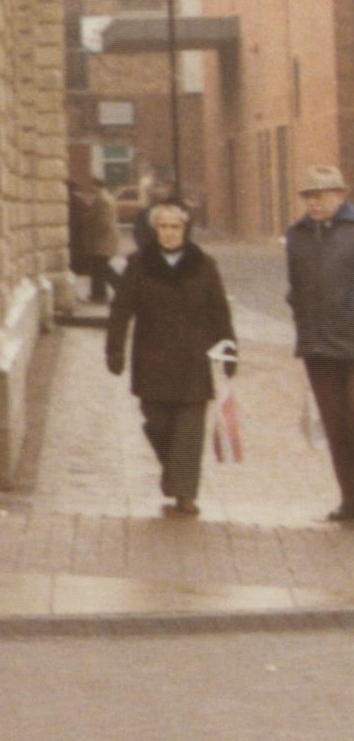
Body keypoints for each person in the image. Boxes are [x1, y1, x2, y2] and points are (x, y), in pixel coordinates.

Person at [106, 199, 235, 518]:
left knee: (190, 432)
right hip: (152, 360)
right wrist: (115, 349)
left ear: (185, 229)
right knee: (158, 424)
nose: (168, 233)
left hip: (194, 360)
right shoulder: (138, 265)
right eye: (162, 227)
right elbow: (121, 311)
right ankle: (175, 473)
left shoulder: (204, 265)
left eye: (174, 227)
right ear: (154, 231)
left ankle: (185, 494)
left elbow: (220, 311)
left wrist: (229, 349)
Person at [286, 167, 354, 524]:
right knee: (336, 427)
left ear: (340, 195)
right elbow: (295, 287)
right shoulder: (296, 235)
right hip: (317, 345)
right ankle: (349, 501)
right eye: (308, 195)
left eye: (322, 194)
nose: (314, 201)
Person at [66, 174, 120, 311]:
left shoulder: (103, 200)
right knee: (98, 267)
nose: (90, 188)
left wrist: (90, 227)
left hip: (102, 239)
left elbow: (103, 221)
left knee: (102, 267)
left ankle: (123, 288)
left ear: (97, 185)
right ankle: (98, 293)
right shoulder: (102, 198)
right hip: (101, 239)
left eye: (92, 185)